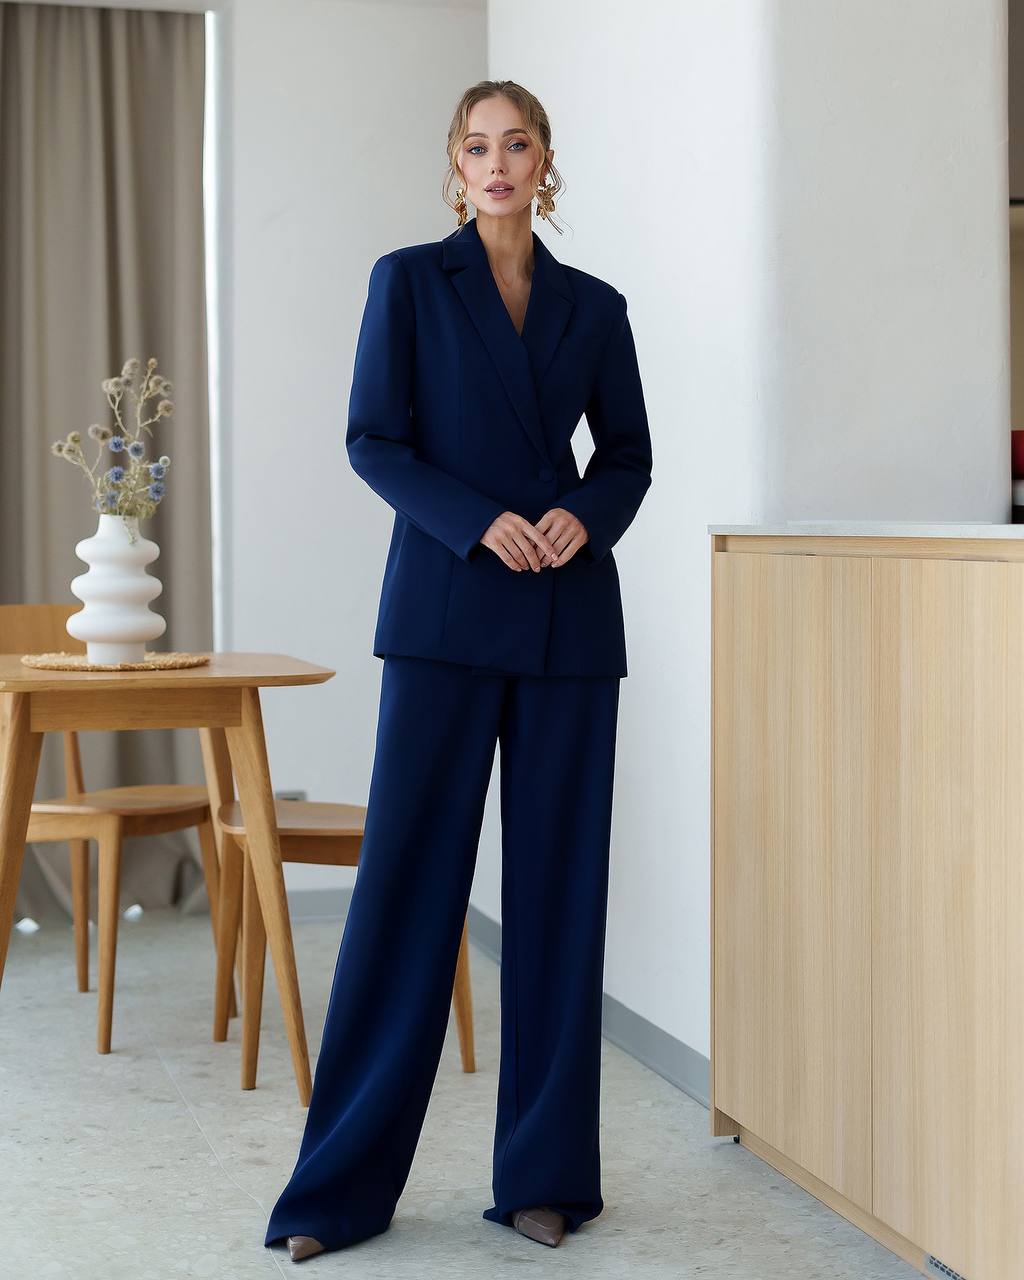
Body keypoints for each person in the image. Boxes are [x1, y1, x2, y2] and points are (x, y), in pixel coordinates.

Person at [264, 78, 653, 1263]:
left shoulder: (595, 306)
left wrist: (585, 517)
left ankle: (544, 1176)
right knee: (405, 898)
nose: (496, 163)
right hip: (443, 613)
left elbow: (628, 455)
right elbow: (373, 438)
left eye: (515, 144)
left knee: (556, 900)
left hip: (569, 630)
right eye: (475, 146)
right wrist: (479, 521)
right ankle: (336, 1191)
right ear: (454, 165)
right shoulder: (407, 282)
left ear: (545, 162)